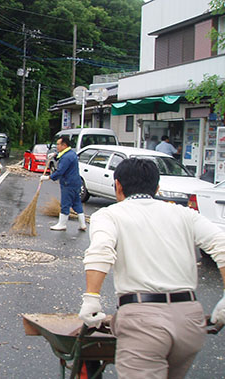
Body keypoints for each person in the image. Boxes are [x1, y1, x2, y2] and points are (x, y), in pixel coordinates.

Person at [78, 158, 225, 378]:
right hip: (190, 321)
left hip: (143, 324)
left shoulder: (109, 215)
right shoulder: (184, 214)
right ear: (157, 188)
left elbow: (100, 251)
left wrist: (92, 298)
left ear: (117, 185)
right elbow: (221, 244)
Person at [40, 136, 86, 231]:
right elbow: (61, 156)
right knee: (76, 203)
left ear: (64, 145)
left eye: (58, 144)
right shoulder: (71, 153)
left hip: (68, 183)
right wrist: (55, 155)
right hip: (76, 183)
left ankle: (62, 224)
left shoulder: (66, 157)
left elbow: (60, 171)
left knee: (65, 203)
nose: (57, 146)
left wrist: (48, 177)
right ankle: (82, 224)